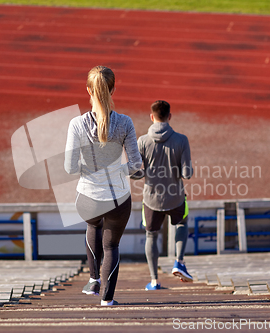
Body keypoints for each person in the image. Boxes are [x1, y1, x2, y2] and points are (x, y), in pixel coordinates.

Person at [64, 66, 142, 306]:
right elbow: (136, 166)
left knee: (92, 225)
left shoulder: (76, 124)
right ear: (113, 89)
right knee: (111, 246)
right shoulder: (125, 123)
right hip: (117, 199)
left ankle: (94, 279)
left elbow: (69, 167)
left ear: (88, 90)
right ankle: (107, 300)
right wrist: (118, 170)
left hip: (87, 198)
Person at [131, 100, 193, 290]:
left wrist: (145, 173)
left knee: (151, 235)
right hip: (175, 197)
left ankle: (154, 281)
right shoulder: (181, 140)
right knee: (182, 223)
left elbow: (135, 171)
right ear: (169, 116)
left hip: (151, 200)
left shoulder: (142, 141)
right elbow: (187, 174)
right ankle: (179, 262)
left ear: (152, 117)